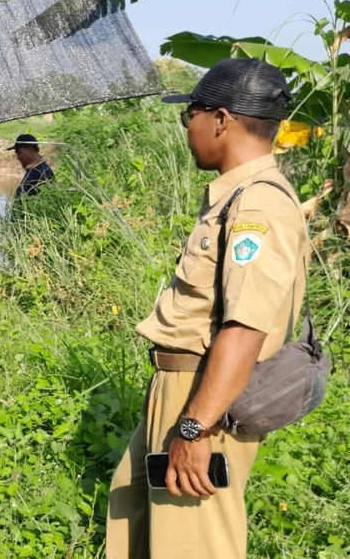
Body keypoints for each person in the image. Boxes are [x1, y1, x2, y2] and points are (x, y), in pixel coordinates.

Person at [106, 58, 310, 558]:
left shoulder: (257, 207)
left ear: (220, 119)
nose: (187, 129)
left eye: (189, 116)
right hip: (182, 387)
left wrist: (195, 427)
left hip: (203, 394)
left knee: (192, 545)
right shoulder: (236, 196)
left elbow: (245, 329)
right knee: (137, 518)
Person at [8, 133, 54, 198]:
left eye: (19, 153)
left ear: (30, 150)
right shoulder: (34, 169)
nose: (18, 157)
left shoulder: (41, 172)